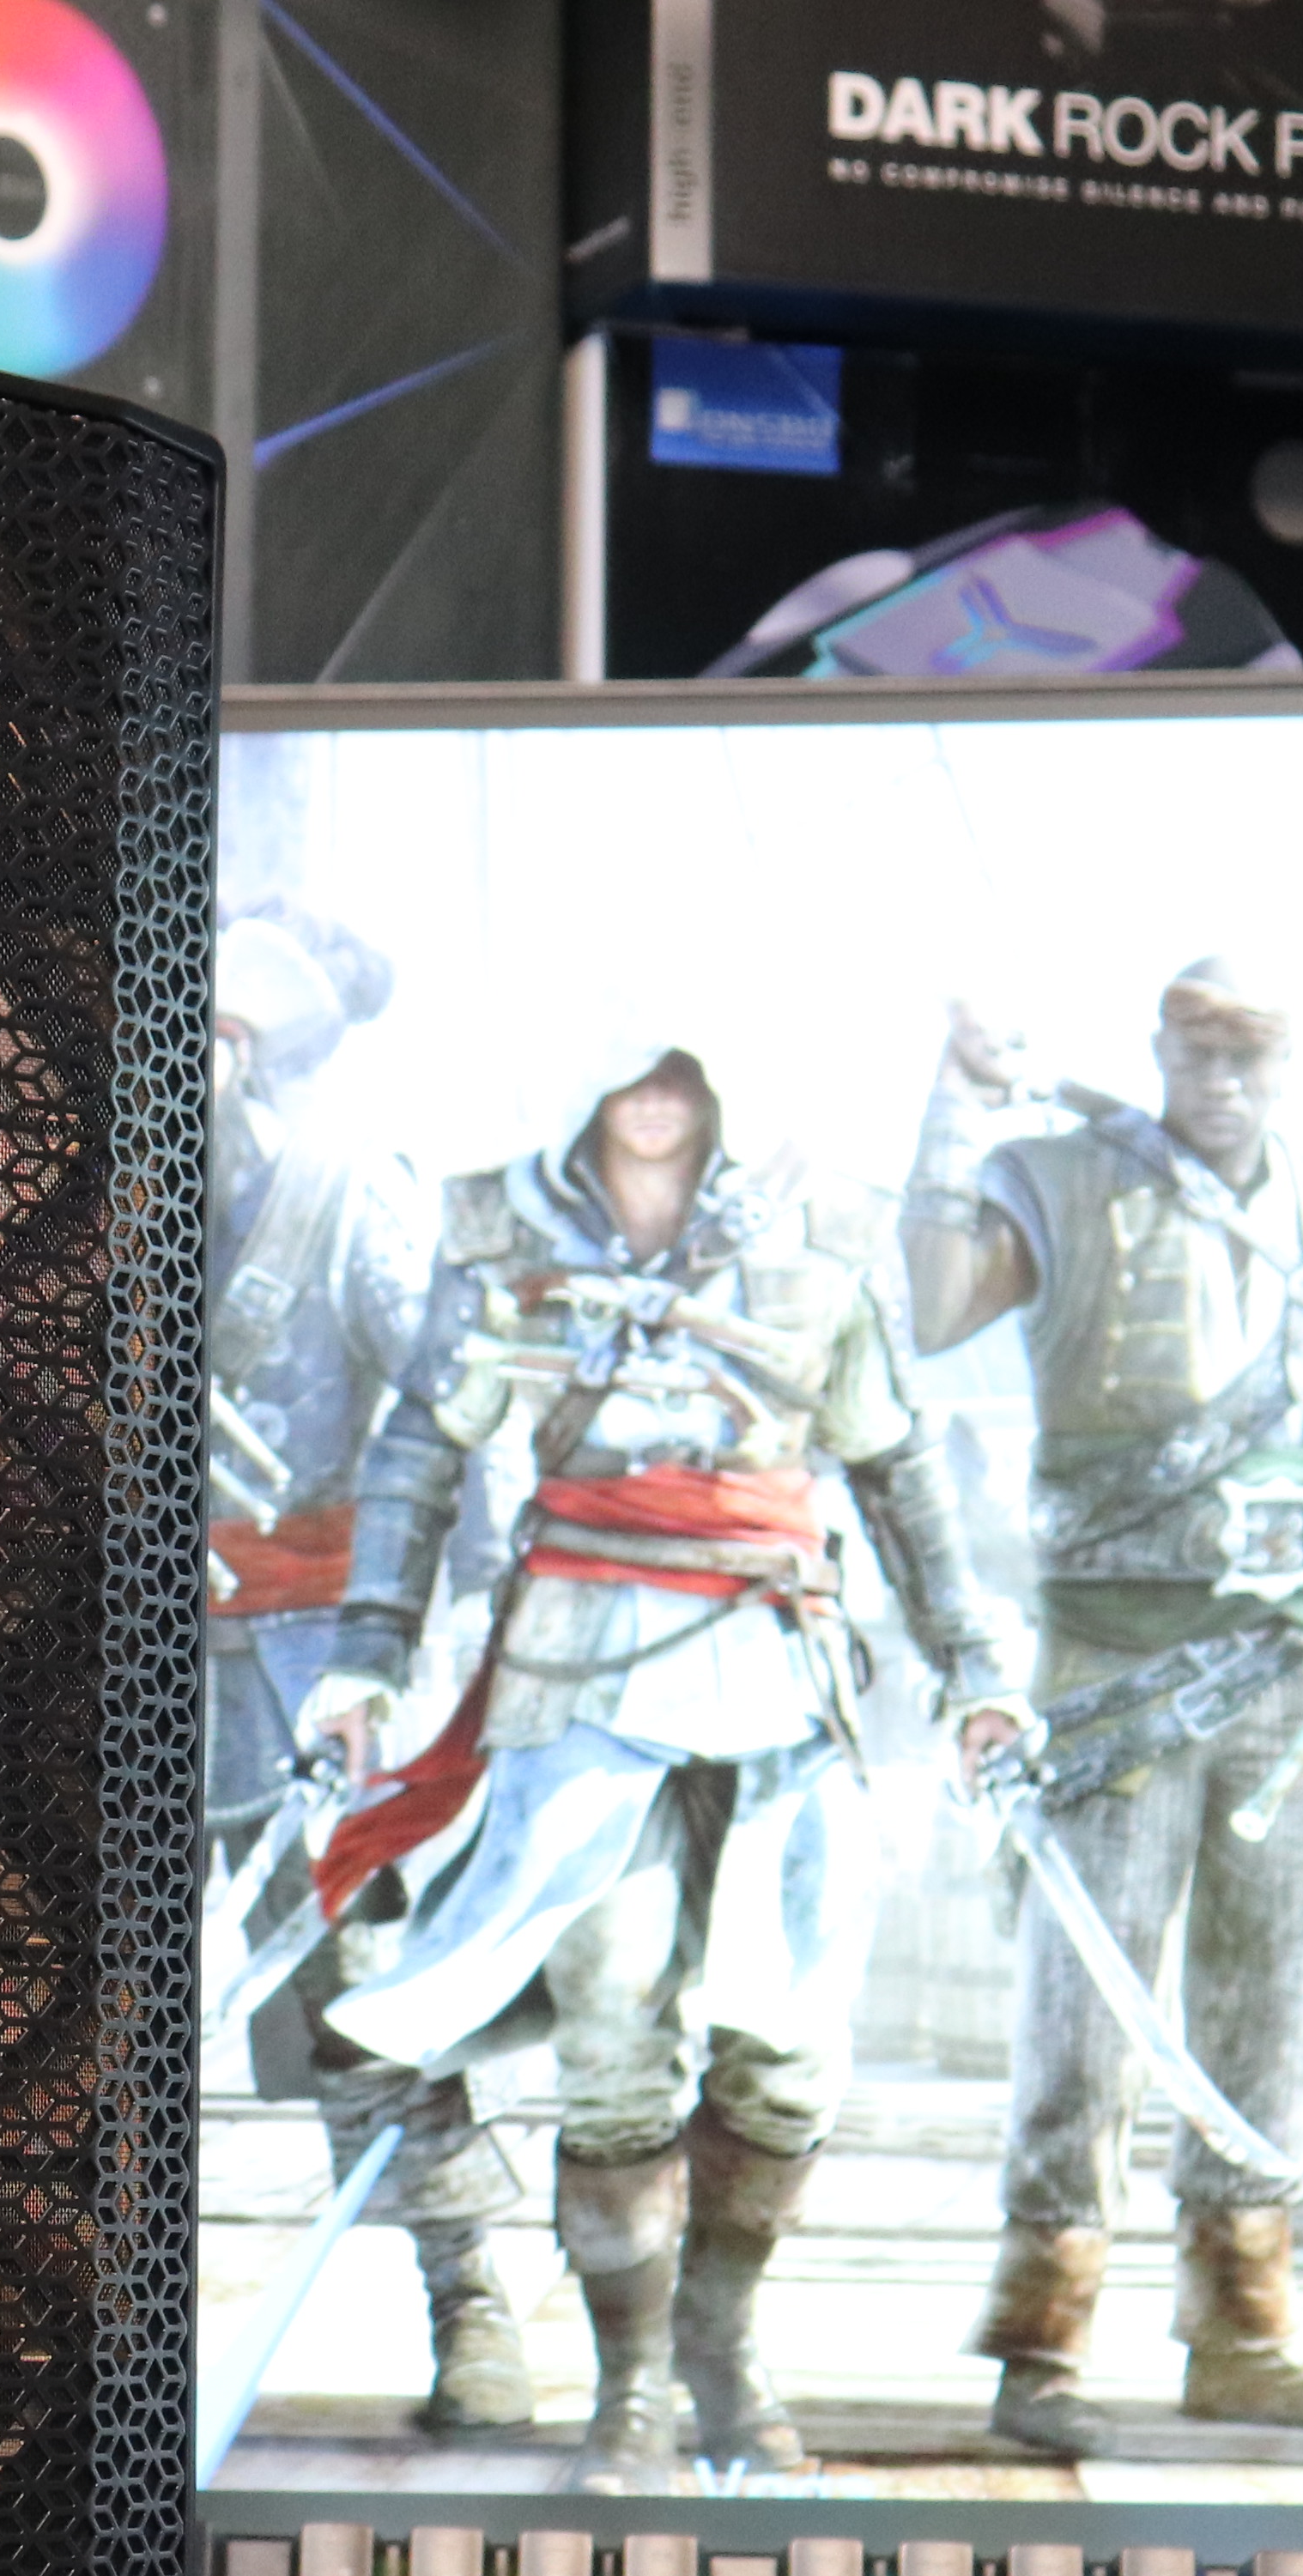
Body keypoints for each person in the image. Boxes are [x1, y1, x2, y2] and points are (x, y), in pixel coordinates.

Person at [299, 1046, 1005, 2488]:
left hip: (780, 1675)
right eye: (635, 1070)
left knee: (789, 2048)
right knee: (616, 2028)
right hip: (580, 1678)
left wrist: (977, 1668)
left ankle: (723, 2358)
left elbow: (895, 1462)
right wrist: (368, 1654)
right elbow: (421, 1455)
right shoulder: (497, 1232)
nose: (661, 1099)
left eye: (690, 1071)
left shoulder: (826, 1236)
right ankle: (629, 2393)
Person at [903, 961, 1303, 2455]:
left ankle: (1244, 2336)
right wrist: (955, 1102)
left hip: (1292, 1671)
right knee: (1085, 2014)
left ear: (1291, 1066)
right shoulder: (1064, 1182)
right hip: (1112, 1668)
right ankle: (1042, 2347)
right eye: (1199, 1053)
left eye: (1252, 1056)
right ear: (1158, 1052)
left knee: (1282, 2007)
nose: (1224, 1081)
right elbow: (935, 1306)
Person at [199, 912, 530, 2430]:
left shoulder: (348, 1200)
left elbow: (454, 1417)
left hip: (310, 1666)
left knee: (369, 1998)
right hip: (109, 1679)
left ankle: (470, 2302)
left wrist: (470, 1638)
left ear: (241, 1051)